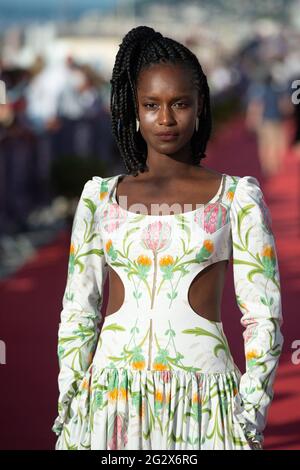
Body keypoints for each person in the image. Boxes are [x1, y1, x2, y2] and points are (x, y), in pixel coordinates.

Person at [52, 26, 283, 450]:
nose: (166, 119)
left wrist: (250, 413)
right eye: (151, 105)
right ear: (133, 111)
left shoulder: (237, 199)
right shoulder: (98, 199)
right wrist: (71, 399)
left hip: (205, 405)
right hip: (110, 406)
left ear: (200, 109)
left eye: (180, 104)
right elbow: (79, 311)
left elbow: (263, 318)